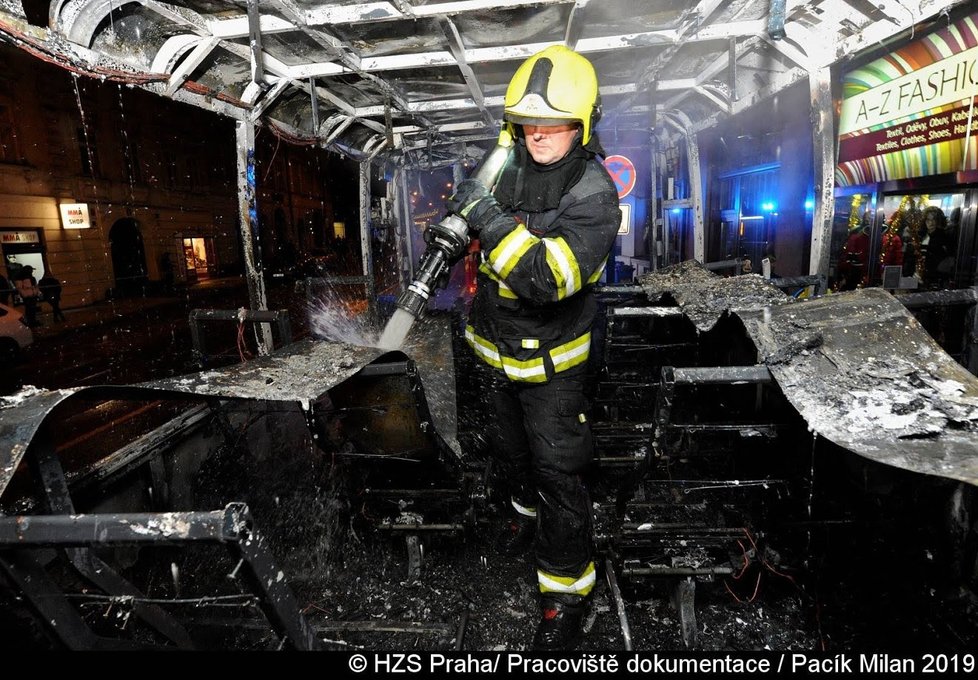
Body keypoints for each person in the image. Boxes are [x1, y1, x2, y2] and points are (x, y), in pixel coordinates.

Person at [446, 45, 621, 650]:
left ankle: (566, 592)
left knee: (559, 475)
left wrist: (487, 219)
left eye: (555, 122)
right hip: (493, 355)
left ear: (585, 123)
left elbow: (547, 279)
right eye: (527, 122)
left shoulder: (595, 193)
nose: (539, 134)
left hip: (553, 371)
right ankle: (524, 524)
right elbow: (481, 231)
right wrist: (457, 220)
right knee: (512, 461)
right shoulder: (509, 161)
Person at [920, 206, 953, 289]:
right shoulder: (921, 235)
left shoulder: (943, 237)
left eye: (934, 219)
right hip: (919, 275)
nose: (931, 223)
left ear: (938, 221)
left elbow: (949, 257)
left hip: (936, 278)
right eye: (928, 220)